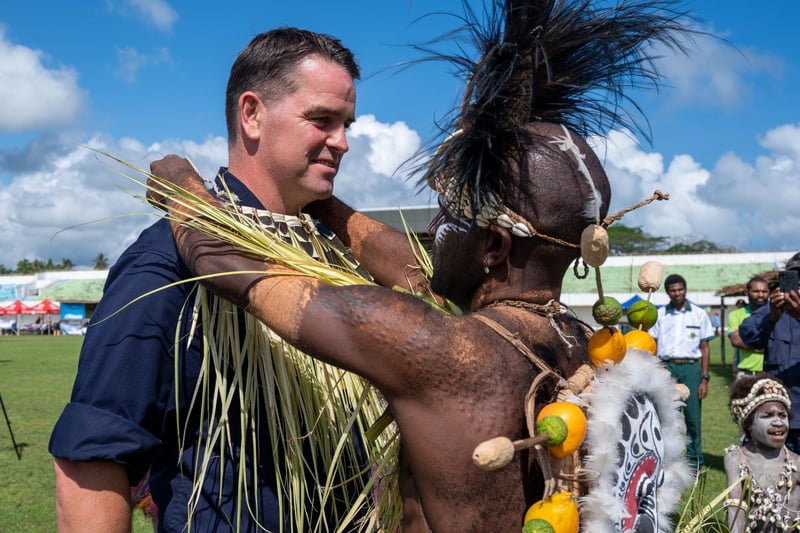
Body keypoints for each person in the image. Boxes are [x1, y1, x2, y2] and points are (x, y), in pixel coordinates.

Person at [147, 2, 695, 530]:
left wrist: (183, 188)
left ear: (495, 249)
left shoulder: (447, 353)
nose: (433, 231)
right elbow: (420, 267)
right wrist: (327, 205)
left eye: (450, 217)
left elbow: (229, 263)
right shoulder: (591, 346)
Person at [49, 28, 375, 532]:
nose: (343, 142)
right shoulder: (163, 265)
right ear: (252, 114)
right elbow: (93, 459)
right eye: (322, 120)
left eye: (346, 124)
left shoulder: (330, 256)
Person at [649, 273, 715, 469]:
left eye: (680, 289)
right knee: (664, 415)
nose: (677, 293)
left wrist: (704, 378)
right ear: (668, 292)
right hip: (667, 367)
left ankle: (695, 462)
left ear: (685, 290)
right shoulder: (660, 314)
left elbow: (705, 348)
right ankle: (664, 459)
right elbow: (652, 343)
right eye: (672, 290)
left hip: (691, 368)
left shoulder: (698, 313)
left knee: (693, 418)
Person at [740, 253, 800, 453]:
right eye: (794, 277)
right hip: (778, 414)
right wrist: (772, 317)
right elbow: (747, 334)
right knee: (778, 478)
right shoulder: (773, 307)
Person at [724, 374, 800, 532]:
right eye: (767, 415)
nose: (778, 422)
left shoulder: (796, 463)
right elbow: (735, 506)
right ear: (749, 424)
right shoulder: (737, 459)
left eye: (783, 415)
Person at [728, 276, 769, 379]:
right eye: (756, 291)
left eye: (764, 291)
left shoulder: (775, 314)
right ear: (747, 292)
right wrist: (763, 346)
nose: (760, 295)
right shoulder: (736, 315)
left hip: (769, 372)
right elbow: (736, 341)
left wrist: (748, 340)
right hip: (745, 373)